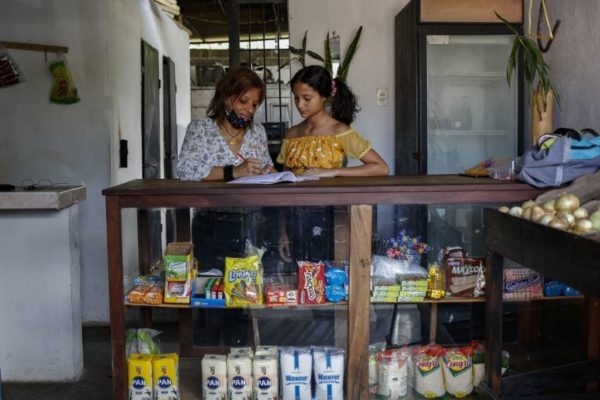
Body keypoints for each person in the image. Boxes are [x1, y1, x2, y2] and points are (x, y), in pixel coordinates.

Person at [176, 67, 274, 346]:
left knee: (243, 302)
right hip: (211, 226)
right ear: (227, 98)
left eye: (255, 104)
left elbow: (263, 168)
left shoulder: (257, 133)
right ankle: (208, 367)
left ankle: (239, 368)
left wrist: (267, 170)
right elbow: (187, 169)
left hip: (250, 225)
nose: (249, 110)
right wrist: (235, 172)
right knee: (209, 299)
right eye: (244, 101)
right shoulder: (201, 130)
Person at [277, 65, 389, 262]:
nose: (300, 104)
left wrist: (334, 172)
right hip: (296, 217)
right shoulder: (291, 134)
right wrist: (282, 232)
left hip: (331, 217)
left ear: (324, 97)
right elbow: (283, 187)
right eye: (296, 98)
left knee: (329, 276)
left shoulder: (339, 131)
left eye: (307, 98)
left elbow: (381, 167)